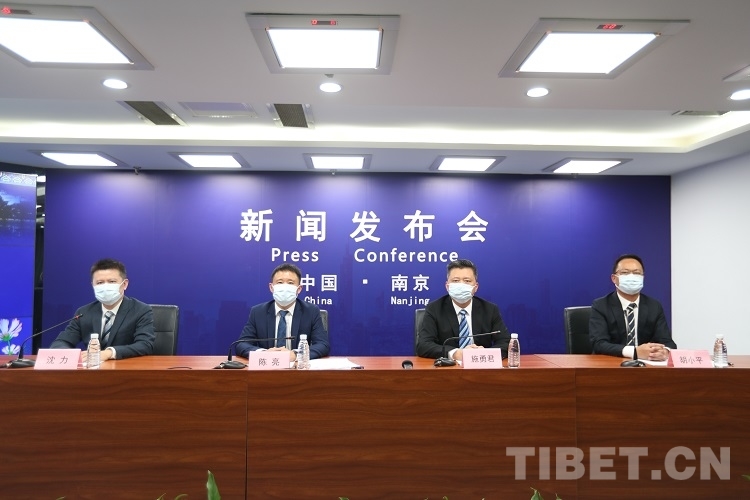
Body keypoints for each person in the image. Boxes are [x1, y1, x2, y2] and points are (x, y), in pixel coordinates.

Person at [50, 258, 155, 361]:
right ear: (93, 285)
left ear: (124, 284)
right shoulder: (84, 313)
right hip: (92, 369)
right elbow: (61, 342)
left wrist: (109, 353)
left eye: (112, 281)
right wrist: (70, 355)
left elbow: (145, 345)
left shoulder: (141, 310)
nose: (105, 287)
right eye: (100, 283)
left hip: (126, 368)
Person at [417, 259, 510, 361]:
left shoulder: (490, 310)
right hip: (447, 367)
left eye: (467, 281)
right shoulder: (434, 308)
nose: (461, 285)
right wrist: (455, 353)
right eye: (456, 281)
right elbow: (423, 345)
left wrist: (484, 354)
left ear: (476, 287)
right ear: (447, 286)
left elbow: (505, 342)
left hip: (480, 366)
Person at [589, 254, 676, 361]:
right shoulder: (601, 305)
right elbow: (598, 343)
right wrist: (634, 352)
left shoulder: (654, 306)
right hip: (612, 363)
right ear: (614, 278)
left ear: (643, 277)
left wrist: (665, 351)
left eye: (636, 273)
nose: (631, 277)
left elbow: (668, 342)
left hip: (646, 365)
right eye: (625, 272)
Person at [236, 263, 330, 361]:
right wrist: (263, 353)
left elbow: (323, 345)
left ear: (299, 289)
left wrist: (296, 354)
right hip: (268, 366)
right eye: (280, 282)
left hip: (297, 366)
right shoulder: (258, 312)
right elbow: (242, 344)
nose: (285, 287)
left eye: (290, 283)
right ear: (271, 287)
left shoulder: (311, 311)